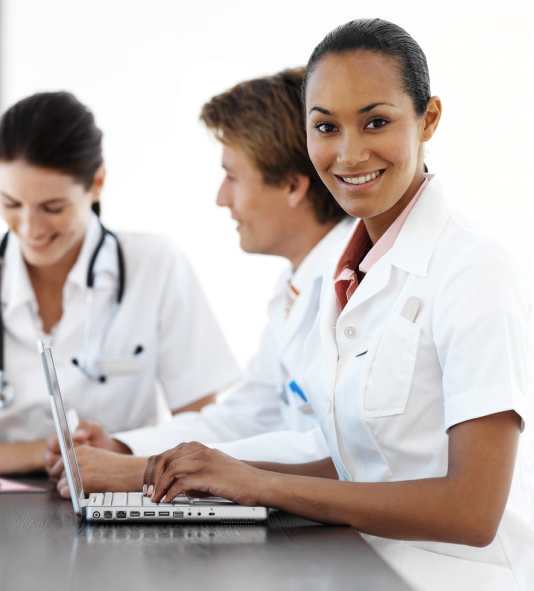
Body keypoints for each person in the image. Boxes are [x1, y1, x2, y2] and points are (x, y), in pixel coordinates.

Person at [141, 19, 534, 591]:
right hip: (353, 563)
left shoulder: (472, 268)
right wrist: (222, 473)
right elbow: (363, 461)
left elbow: (472, 513)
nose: (349, 154)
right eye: (326, 127)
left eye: (376, 122)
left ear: (429, 119)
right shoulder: (345, 271)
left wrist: (261, 485)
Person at [45, 68, 353, 496]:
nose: (220, 198)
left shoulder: (354, 289)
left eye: (232, 176)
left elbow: (343, 453)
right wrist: (123, 446)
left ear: (292, 185)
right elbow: (239, 418)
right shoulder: (296, 286)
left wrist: (143, 470)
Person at [0, 91, 240, 475]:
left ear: (97, 182)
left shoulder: (155, 264)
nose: (31, 229)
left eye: (53, 207)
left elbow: (201, 431)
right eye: (11, 204)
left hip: (114, 502)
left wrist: (13, 455)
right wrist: (37, 453)